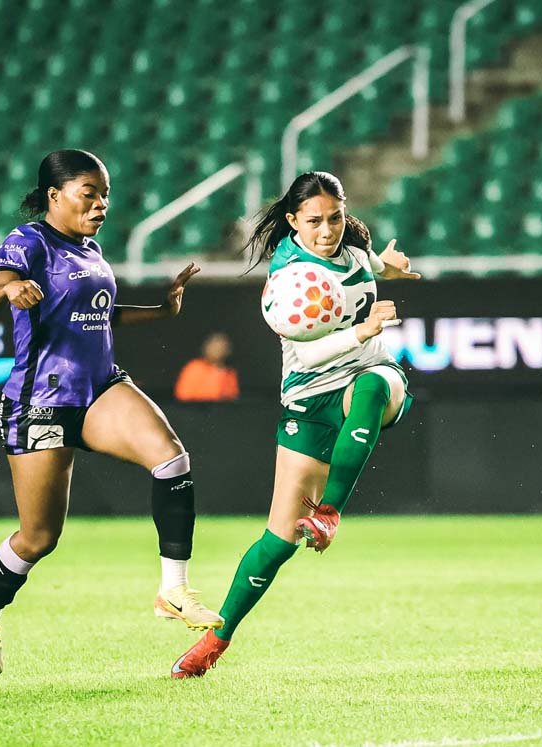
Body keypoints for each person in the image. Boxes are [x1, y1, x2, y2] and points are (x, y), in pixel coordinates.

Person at [0, 149, 222, 676]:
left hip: (100, 388)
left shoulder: (91, 250)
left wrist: (161, 310)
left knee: (171, 459)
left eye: (105, 195)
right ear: (54, 195)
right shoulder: (29, 241)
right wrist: (9, 288)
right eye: (89, 193)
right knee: (39, 537)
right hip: (40, 400)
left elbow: (98, 315)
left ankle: (173, 589)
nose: (101, 204)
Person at [170, 171, 421, 678]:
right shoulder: (290, 279)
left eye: (335, 218)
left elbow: (364, 264)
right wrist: (362, 330)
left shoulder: (351, 244)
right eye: (314, 221)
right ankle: (216, 640)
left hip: (368, 375)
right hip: (309, 395)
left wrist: (387, 267)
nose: (327, 230)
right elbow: (306, 356)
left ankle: (329, 512)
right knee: (278, 541)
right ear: (292, 221)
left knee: (374, 385)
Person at [174, 331, 240, 402]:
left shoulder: (230, 373)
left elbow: (232, 396)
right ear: (207, 348)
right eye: (215, 347)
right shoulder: (195, 367)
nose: (219, 351)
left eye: (222, 347)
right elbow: (183, 394)